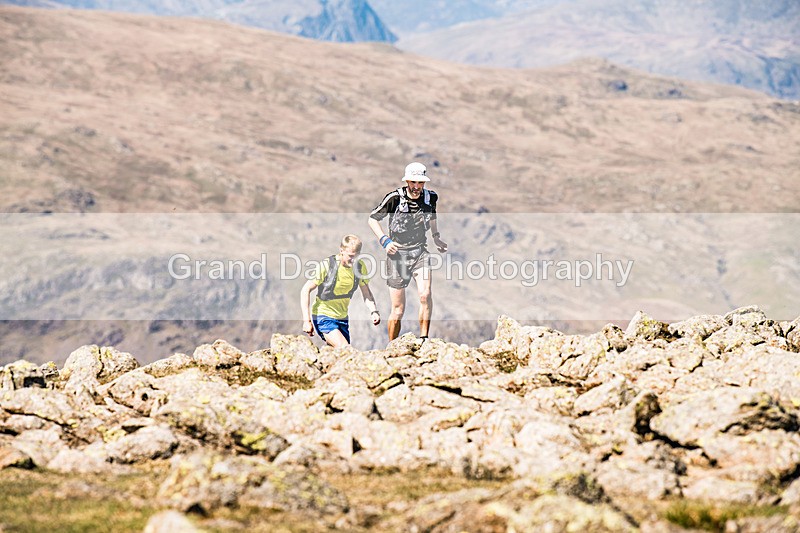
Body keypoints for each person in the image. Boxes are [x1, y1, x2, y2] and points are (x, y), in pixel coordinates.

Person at [368, 162, 448, 341]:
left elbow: (432, 216)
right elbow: (373, 219)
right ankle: (392, 345)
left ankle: (424, 339)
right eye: (413, 182)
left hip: (420, 252)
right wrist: (385, 240)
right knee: (398, 309)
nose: (417, 187)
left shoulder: (430, 197)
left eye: (420, 183)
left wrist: (436, 237)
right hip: (397, 256)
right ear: (407, 181)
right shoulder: (394, 198)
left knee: (425, 294)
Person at [300, 235, 381, 348]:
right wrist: (306, 321)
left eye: (357, 256)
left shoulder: (359, 267)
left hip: (342, 318)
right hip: (323, 315)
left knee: (340, 356)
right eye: (350, 256)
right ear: (341, 251)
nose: (353, 260)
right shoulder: (327, 265)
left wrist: (374, 311)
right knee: (345, 348)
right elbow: (305, 289)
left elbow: (366, 293)